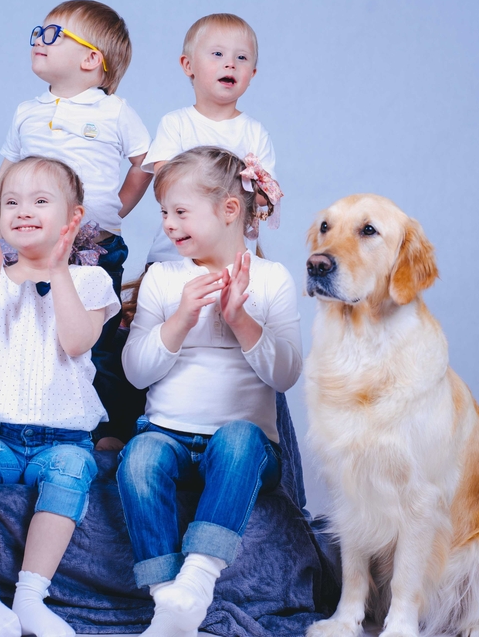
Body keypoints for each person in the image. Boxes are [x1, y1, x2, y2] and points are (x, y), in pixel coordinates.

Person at [117, 146, 300, 636]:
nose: (169, 225)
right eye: (163, 214)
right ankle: (167, 601)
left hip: (245, 445)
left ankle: (197, 579)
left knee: (238, 439)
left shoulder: (271, 279)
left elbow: (285, 375)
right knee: (139, 458)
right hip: (167, 432)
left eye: (180, 212)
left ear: (229, 210)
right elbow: (137, 372)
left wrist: (241, 321)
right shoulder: (163, 278)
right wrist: (178, 321)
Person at [0, 157, 120, 637]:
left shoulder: (90, 281)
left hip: (62, 436)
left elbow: (78, 340)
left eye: (41, 201)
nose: (24, 210)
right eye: (11, 202)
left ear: (72, 218)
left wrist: (58, 271)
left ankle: (30, 597)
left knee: (73, 469)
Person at [0, 0, 152, 448]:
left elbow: (146, 163)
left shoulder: (113, 111)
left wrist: (116, 207)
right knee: (35, 332)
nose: (38, 42)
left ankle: (107, 430)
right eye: (37, 32)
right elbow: (7, 173)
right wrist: (0, 227)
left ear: (90, 59)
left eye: (52, 35)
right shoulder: (27, 111)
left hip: (94, 242)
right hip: (32, 247)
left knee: (97, 340)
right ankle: (33, 421)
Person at [141, 14, 278, 263]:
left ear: (253, 73)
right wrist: (232, 184)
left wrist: (246, 191)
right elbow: (164, 183)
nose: (231, 64)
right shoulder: (176, 124)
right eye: (217, 54)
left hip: (232, 256)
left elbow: (266, 195)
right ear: (188, 65)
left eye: (242, 57)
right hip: (175, 255)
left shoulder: (255, 132)